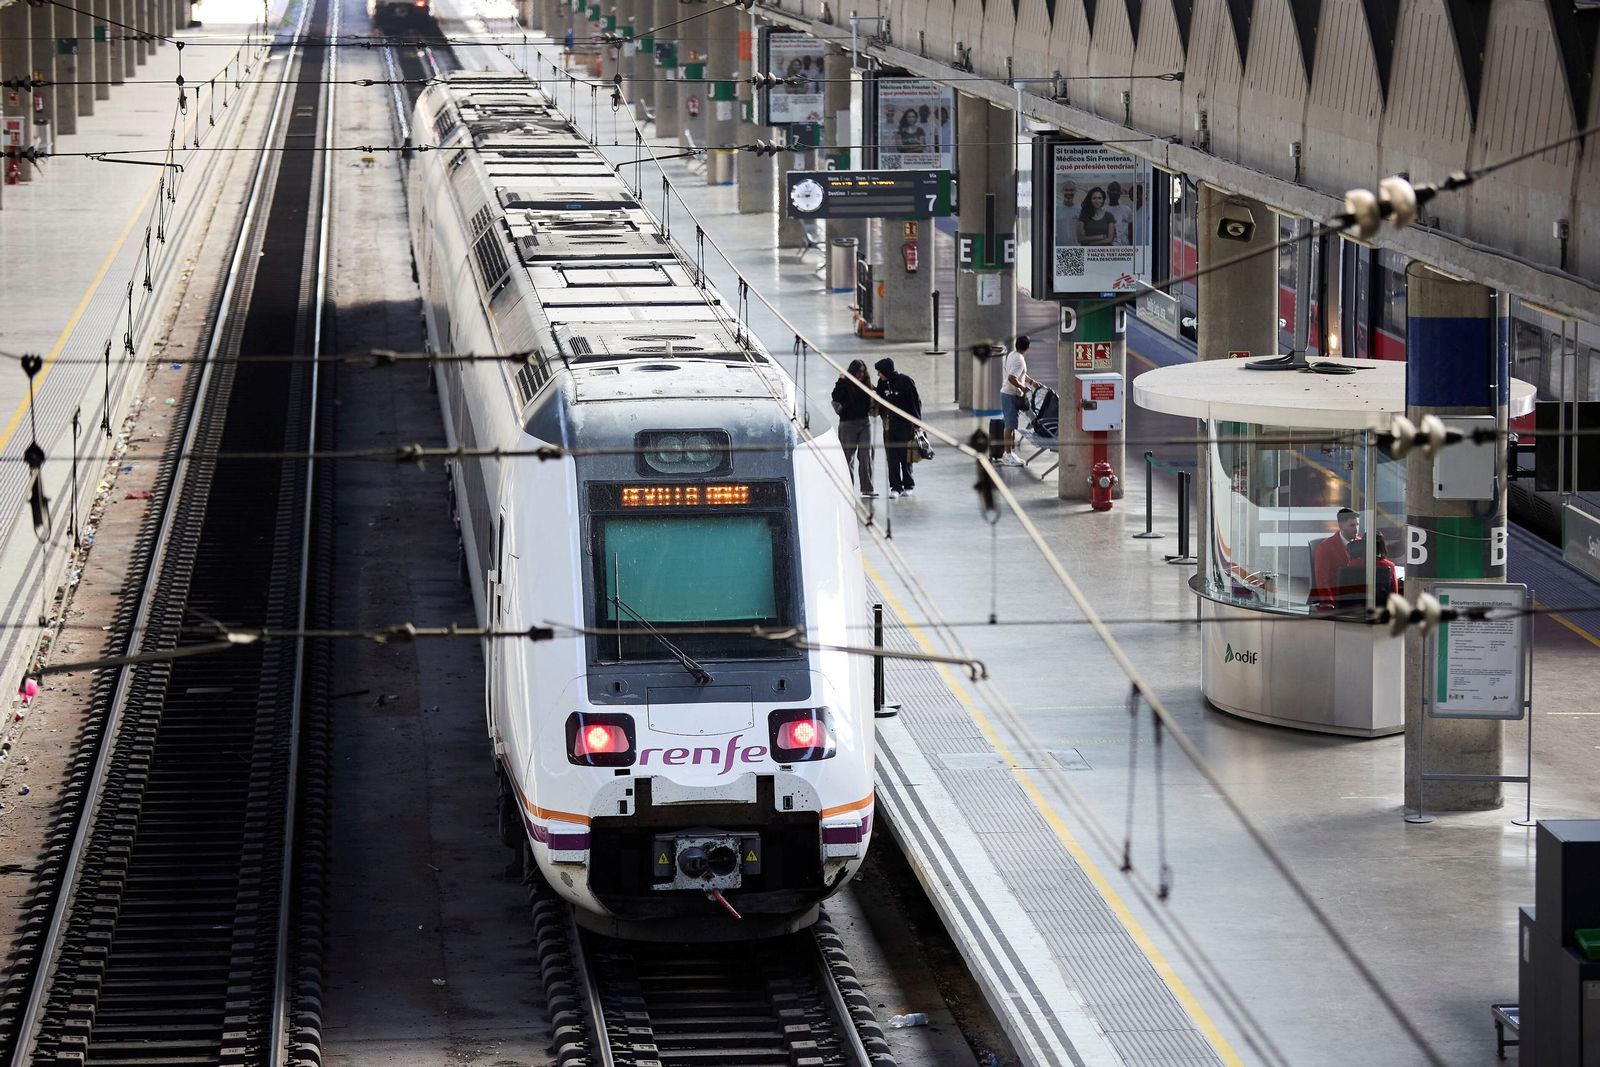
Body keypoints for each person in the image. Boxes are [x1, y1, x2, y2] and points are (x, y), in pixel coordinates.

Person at [874, 358, 922, 498]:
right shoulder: (882, 383)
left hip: (905, 426)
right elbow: (881, 399)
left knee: (905, 457)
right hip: (889, 427)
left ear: (885, 371)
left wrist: (918, 424)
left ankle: (908, 485)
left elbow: (915, 403)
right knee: (892, 458)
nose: (878, 375)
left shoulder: (906, 382)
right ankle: (895, 487)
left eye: (879, 372)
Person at [832, 360, 878, 498]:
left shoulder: (867, 385)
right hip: (847, 424)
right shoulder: (845, 384)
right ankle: (848, 488)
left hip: (864, 422)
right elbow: (835, 397)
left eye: (863, 371)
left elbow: (876, 393)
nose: (861, 374)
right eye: (858, 371)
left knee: (865, 455)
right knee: (847, 457)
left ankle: (867, 488)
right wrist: (841, 380)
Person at [999, 335, 1042, 466]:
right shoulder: (1019, 360)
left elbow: (1019, 373)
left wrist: (1031, 382)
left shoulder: (1013, 355)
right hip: (1010, 395)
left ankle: (1009, 453)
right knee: (1009, 426)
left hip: (1008, 394)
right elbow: (1012, 377)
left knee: (1010, 425)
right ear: (1028, 347)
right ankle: (1007, 455)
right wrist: (1023, 388)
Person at [1310, 507, 1361, 608]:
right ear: (1341, 525)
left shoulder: (1361, 543)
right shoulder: (1325, 547)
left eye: (1357, 525)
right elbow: (1323, 580)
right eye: (1352, 525)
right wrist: (1329, 604)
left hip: (1358, 598)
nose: (1356, 529)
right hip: (1337, 600)